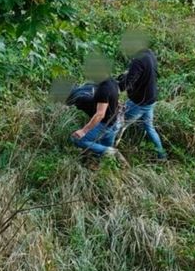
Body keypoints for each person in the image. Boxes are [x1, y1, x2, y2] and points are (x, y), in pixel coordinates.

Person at [70, 53, 127, 168]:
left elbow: (100, 114)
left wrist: (84, 131)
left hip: (104, 125)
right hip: (114, 123)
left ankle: (112, 152)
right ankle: (109, 168)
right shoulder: (112, 82)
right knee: (103, 155)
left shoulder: (103, 89)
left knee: (77, 139)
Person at [117, 29, 167, 160]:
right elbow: (139, 74)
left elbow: (129, 81)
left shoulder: (137, 60)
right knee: (149, 128)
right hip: (151, 100)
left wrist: (116, 87)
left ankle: (108, 153)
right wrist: (126, 76)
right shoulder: (149, 54)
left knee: (118, 124)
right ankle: (162, 155)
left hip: (140, 102)